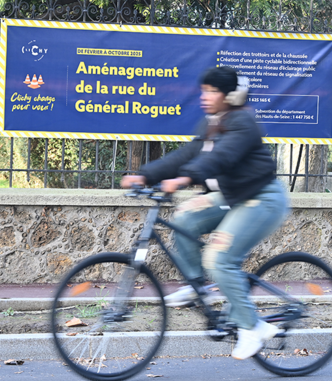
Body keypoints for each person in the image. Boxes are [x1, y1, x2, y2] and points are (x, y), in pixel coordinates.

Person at [120, 66, 289, 360]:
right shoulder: (211, 123)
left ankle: (253, 328)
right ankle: (200, 288)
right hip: (232, 196)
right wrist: (144, 175)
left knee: (219, 257)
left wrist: (185, 179)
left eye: (212, 91)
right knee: (184, 217)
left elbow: (222, 157)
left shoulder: (243, 122)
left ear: (230, 95)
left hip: (262, 199)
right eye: (204, 90)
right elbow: (186, 156)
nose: (205, 96)